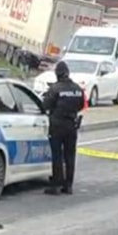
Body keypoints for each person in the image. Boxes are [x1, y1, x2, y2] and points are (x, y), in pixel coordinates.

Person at [42, 61, 87, 196]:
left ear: (57, 74)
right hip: (71, 125)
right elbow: (81, 105)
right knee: (70, 156)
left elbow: (46, 105)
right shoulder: (77, 89)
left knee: (57, 155)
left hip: (57, 125)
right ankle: (68, 186)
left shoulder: (55, 89)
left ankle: (56, 185)